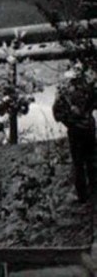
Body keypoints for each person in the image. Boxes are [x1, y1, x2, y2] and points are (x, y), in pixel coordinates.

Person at [52, 61, 96, 203]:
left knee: (81, 163)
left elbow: (57, 113)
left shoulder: (65, 89)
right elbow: (58, 112)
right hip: (85, 128)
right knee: (89, 161)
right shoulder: (87, 87)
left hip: (79, 129)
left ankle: (84, 195)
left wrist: (70, 121)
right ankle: (90, 193)